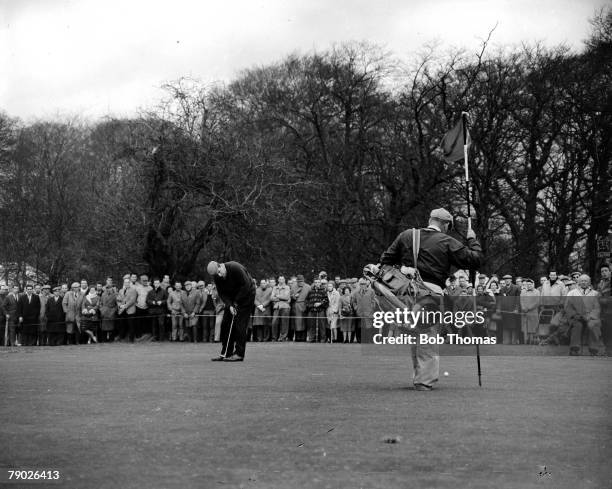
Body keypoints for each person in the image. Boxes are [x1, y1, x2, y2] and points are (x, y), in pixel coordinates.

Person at [379, 207, 482, 391]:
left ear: (430, 220)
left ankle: (420, 376)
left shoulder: (407, 235)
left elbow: (385, 259)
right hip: (430, 294)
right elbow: (475, 260)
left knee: (416, 336)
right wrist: (472, 239)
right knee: (427, 336)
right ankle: (424, 382)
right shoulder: (446, 241)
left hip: (405, 294)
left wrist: (403, 271)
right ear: (445, 224)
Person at [207, 260, 256, 362]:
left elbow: (245, 286)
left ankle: (239, 354)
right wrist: (229, 305)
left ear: (220, 266)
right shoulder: (217, 277)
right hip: (232, 299)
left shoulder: (235, 268)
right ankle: (226, 353)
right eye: (216, 275)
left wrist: (236, 303)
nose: (219, 276)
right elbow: (222, 293)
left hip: (247, 295)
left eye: (219, 272)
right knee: (225, 324)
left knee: (240, 324)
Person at [565, 274, 604, 356]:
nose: (583, 282)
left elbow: (597, 308)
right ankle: (574, 349)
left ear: (589, 282)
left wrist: (590, 316)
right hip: (576, 317)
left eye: (585, 281)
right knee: (577, 326)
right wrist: (575, 315)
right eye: (582, 280)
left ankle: (594, 350)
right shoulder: (572, 293)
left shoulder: (595, 294)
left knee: (593, 326)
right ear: (578, 282)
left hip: (591, 318)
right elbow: (568, 307)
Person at [306, 278, 328, 342]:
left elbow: (326, 300)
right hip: (312, 310)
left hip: (321, 310)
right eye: (316, 282)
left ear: (320, 283)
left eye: (318, 282)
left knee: (322, 325)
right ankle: (311, 338)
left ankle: (322, 339)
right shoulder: (310, 291)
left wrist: (320, 303)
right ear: (314, 283)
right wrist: (311, 305)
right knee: (311, 325)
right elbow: (307, 301)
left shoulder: (323, 291)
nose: (317, 283)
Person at [116, 278, 138, 342]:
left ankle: (131, 340)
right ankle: (122, 339)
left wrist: (125, 306)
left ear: (130, 283)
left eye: (128, 282)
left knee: (131, 325)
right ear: (124, 283)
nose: (126, 283)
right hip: (122, 311)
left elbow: (132, 300)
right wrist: (120, 305)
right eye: (125, 282)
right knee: (122, 325)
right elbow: (118, 299)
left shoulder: (133, 290)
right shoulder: (121, 290)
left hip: (130, 310)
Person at [271, 276, 291, 341]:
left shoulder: (287, 287)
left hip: (285, 306)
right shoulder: (274, 287)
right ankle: (274, 337)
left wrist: (277, 296)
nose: (281, 280)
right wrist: (281, 298)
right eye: (280, 279)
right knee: (274, 322)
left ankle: (283, 337)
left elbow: (287, 297)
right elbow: (271, 298)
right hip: (276, 306)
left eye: (282, 279)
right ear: (278, 280)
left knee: (284, 323)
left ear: (284, 280)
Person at [520, 279, 540, 344]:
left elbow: (537, 302)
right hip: (524, 312)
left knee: (533, 327)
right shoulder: (523, 292)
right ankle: (526, 341)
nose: (529, 286)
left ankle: (533, 341)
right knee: (525, 327)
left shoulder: (537, 292)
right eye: (527, 284)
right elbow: (521, 300)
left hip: (533, 312)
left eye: (530, 284)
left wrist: (529, 308)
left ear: (533, 284)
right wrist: (523, 307)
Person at [291, 275, 310, 341]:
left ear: (304, 281)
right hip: (296, 306)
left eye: (301, 281)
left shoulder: (308, 287)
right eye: (298, 281)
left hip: (304, 305)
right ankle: (297, 337)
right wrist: (294, 296)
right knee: (297, 323)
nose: (300, 283)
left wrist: (306, 305)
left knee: (304, 322)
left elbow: (309, 297)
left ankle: (303, 338)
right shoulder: (293, 286)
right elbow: (290, 296)